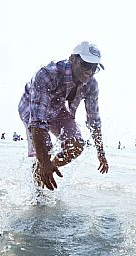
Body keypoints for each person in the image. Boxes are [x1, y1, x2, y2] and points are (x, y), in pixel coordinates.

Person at [18, 41, 109, 190]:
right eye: (86, 65)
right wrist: (44, 160)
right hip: (31, 106)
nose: (89, 71)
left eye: (94, 68)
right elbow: (37, 122)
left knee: (77, 145)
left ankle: (46, 168)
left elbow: (94, 121)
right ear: (72, 59)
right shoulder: (47, 73)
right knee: (44, 151)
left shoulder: (92, 84)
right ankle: (38, 198)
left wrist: (101, 153)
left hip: (59, 109)